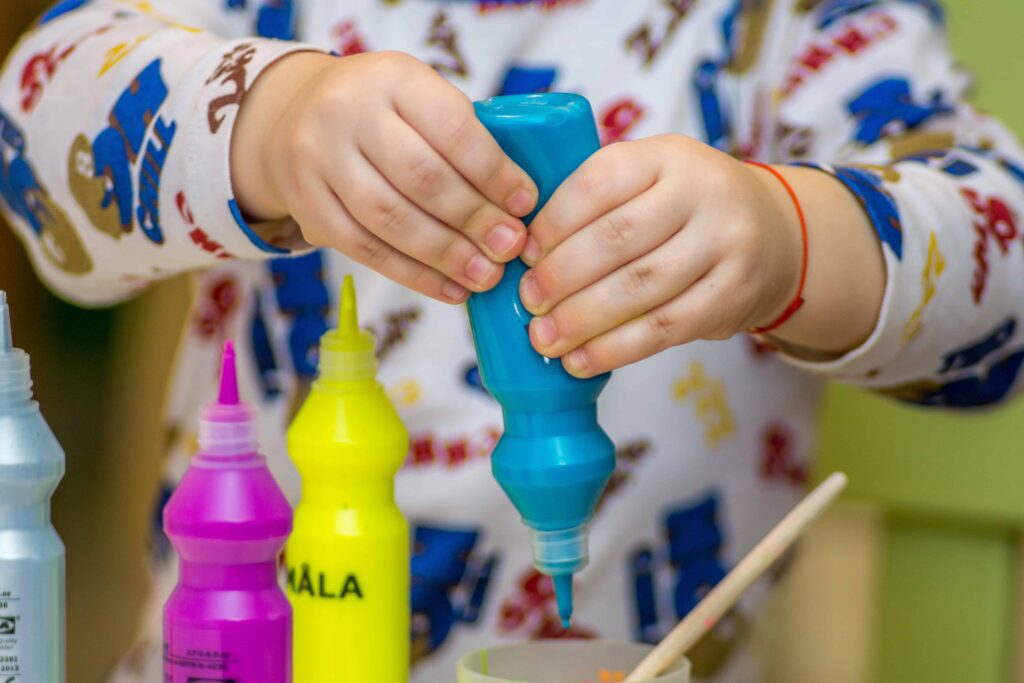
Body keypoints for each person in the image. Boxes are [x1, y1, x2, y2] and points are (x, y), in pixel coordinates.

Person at [3, 0, 1023, 680]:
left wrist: (790, 238)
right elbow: (36, 132)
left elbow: (999, 271)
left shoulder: (787, 21)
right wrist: (270, 125)